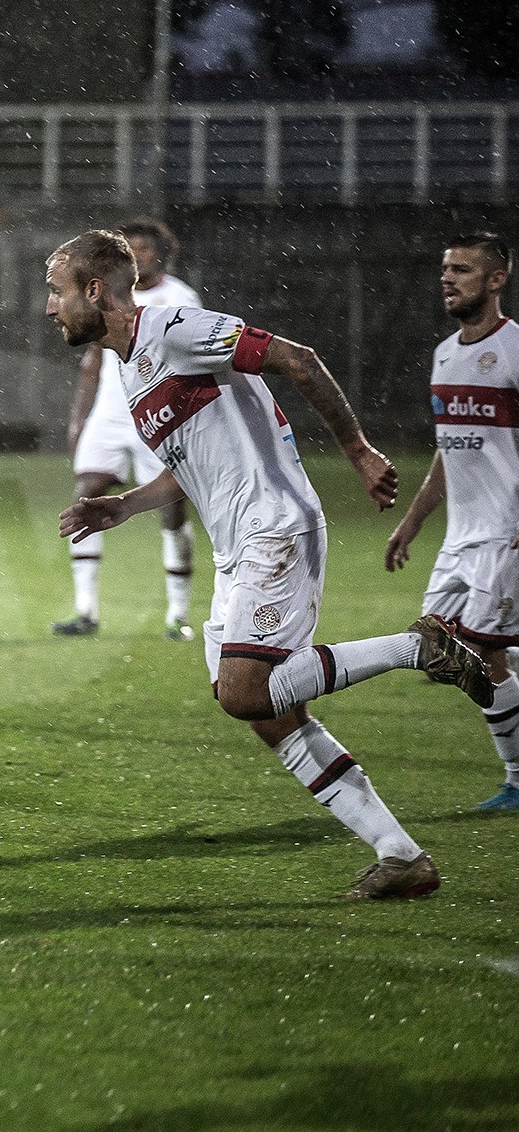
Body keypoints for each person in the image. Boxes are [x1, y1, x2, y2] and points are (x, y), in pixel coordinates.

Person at [46, 228, 494, 901]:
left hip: (274, 527)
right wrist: (125, 506)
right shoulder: (131, 367)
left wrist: (358, 450)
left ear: (93, 289)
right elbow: (190, 467)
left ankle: (417, 647)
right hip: (238, 547)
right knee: (268, 715)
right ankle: (400, 856)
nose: (49, 307)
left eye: (56, 292)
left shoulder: (174, 328)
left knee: (245, 693)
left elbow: (297, 358)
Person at [384, 232, 519, 812]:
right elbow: (450, 448)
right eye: (446, 269)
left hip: (507, 534)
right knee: (438, 651)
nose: (447, 278)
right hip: (460, 536)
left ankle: (517, 781)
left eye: (462, 269)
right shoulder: (445, 354)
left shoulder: (514, 348)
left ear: (496, 280)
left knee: (486, 656)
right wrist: (412, 522)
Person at [53, 218, 201, 639]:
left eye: (145, 248)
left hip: (158, 415)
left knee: (171, 510)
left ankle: (178, 614)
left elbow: (193, 359)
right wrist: (79, 420)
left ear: (162, 254)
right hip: (110, 415)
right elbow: (93, 361)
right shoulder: (106, 294)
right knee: (85, 495)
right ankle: (85, 609)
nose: (138, 254)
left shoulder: (180, 298)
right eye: (130, 248)